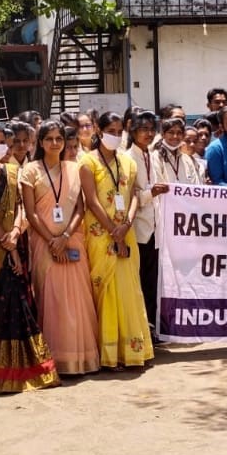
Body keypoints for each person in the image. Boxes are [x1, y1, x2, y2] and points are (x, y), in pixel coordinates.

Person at [0, 123, 59, 392]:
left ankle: (27, 368)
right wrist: (6, 242)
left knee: (18, 302)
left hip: (14, 241)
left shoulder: (13, 171)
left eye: (2, 143)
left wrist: (16, 233)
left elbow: (20, 206)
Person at [21, 122, 101, 375]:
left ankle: (82, 359)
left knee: (78, 299)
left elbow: (80, 209)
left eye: (59, 139)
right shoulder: (30, 170)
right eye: (49, 139)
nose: (55, 143)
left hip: (72, 239)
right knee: (52, 298)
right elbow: (31, 213)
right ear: (40, 143)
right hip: (43, 242)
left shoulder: (75, 169)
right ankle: (54, 360)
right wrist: (51, 241)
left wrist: (64, 237)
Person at [79, 111, 154, 369]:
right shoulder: (88, 162)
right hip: (101, 234)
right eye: (110, 131)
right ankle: (110, 355)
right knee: (107, 289)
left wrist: (126, 225)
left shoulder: (128, 162)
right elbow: (91, 201)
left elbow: (133, 195)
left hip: (126, 232)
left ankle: (132, 351)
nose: (115, 135)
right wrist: (113, 230)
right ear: (98, 131)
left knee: (129, 288)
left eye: (119, 131)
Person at [127, 111, 166, 333]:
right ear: (133, 131)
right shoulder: (127, 158)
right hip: (138, 229)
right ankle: (141, 329)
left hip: (156, 228)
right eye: (144, 129)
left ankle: (152, 326)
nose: (149, 134)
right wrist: (152, 193)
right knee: (139, 281)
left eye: (152, 129)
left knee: (153, 281)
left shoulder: (154, 156)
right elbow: (129, 196)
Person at [155, 117, 202, 187]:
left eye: (179, 133)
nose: (175, 136)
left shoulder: (187, 159)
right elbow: (157, 186)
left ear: (183, 136)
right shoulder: (156, 157)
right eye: (171, 132)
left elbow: (195, 187)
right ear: (163, 134)